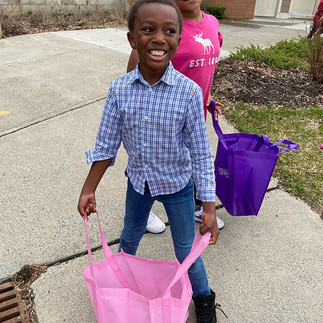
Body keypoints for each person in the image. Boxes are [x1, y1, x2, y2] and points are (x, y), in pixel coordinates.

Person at [78, 0, 222, 321]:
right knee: (130, 235)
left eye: (169, 31)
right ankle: (118, 286)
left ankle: (203, 297)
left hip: (178, 185)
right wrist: (89, 189)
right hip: (139, 182)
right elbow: (106, 145)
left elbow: (200, 153)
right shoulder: (119, 90)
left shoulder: (187, 92)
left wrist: (208, 207)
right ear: (132, 39)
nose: (159, 38)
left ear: (178, 41)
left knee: (185, 249)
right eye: (148, 30)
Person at [127, 0, 225, 233]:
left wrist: (208, 98)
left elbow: (204, 67)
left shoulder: (212, 23)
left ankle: (196, 208)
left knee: (190, 163)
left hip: (193, 115)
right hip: (163, 117)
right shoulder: (167, 26)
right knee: (151, 163)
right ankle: (143, 209)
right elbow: (133, 76)